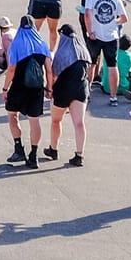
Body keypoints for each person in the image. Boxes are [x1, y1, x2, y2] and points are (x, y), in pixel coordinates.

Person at [3, 17, 52, 168]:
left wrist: (5, 88)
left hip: (18, 87)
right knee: (34, 120)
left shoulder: (17, 44)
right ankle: (34, 155)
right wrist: (49, 88)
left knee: (12, 114)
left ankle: (18, 149)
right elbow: (49, 70)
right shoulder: (42, 44)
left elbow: (11, 69)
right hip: (36, 88)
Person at [44, 24, 89, 167]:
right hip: (81, 89)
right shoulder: (83, 51)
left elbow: (54, 74)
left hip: (63, 90)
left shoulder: (62, 53)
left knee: (56, 121)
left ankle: (54, 149)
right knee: (79, 123)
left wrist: (49, 89)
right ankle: (79, 155)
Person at [81, 0, 127, 104]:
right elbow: (124, 18)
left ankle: (87, 92)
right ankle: (113, 97)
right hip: (111, 36)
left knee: (91, 64)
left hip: (95, 35)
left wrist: (90, 31)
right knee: (113, 66)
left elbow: (87, 14)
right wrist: (114, 21)